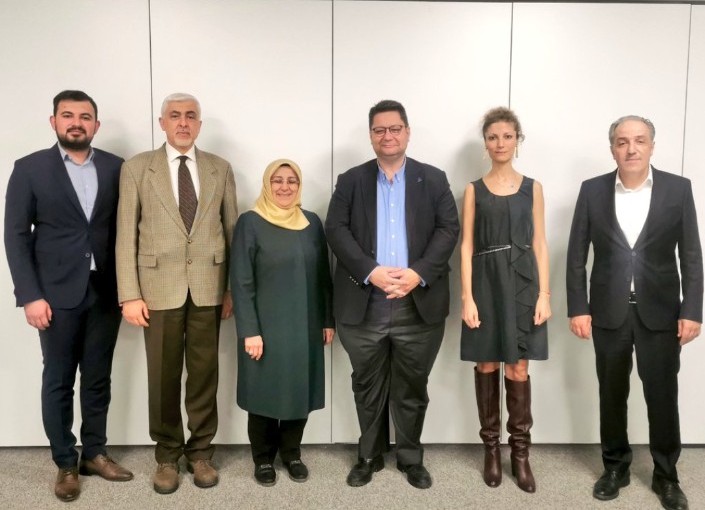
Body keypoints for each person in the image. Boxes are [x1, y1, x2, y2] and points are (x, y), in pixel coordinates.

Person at [566, 115, 702, 510]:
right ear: (612, 149)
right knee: (611, 393)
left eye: (639, 140)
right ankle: (615, 468)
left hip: (661, 312)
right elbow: (576, 256)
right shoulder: (592, 190)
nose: (631, 148)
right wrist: (578, 307)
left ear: (652, 146)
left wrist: (692, 310)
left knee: (662, 396)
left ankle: (666, 476)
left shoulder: (678, 189)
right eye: (622, 141)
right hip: (608, 311)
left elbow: (691, 256)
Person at [4, 90, 133, 502]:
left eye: (85, 116)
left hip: (106, 291)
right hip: (54, 294)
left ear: (96, 124)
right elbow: (16, 236)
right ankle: (65, 461)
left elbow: (127, 228)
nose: (76, 122)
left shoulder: (117, 167)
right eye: (67, 115)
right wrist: (30, 295)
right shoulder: (29, 169)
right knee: (58, 380)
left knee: (97, 378)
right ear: (54, 121)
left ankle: (94, 453)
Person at [325, 99, 459, 489]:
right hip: (363, 301)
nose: (388, 135)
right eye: (380, 129)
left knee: (412, 386)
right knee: (367, 385)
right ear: (371, 136)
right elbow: (336, 230)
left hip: (418, 302)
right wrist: (372, 271)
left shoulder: (433, 179)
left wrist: (418, 273)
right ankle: (369, 456)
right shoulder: (351, 180)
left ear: (407, 132)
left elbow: (448, 230)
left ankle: (410, 457)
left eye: (395, 128)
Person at [116, 92, 238, 494]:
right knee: (163, 376)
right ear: (162, 122)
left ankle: (200, 452)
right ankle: (167, 455)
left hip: (208, 287)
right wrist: (129, 294)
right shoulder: (137, 168)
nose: (183, 122)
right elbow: (125, 235)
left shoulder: (220, 168)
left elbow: (232, 231)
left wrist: (232, 289)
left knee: (204, 375)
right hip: (156, 290)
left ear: (199, 124)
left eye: (190, 116)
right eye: (175, 115)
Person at [460, 107, 550, 493]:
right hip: (485, 281)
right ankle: (491, 451)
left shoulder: (534, 188)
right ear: (485, 143)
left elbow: (541, 243)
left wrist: (545, 294)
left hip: (524, 283)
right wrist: (467, 297)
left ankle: (521, 454)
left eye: (507, 136)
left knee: (518, 366)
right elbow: (465, 246)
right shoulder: (473, 190)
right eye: (493, 137)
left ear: (518, 140)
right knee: (486, 363)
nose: (500, 143)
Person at [231, 159, 334, 486]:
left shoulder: (311, 223)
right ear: (267, 184)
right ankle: (263, 458)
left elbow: (323, 276)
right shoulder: (250, 222)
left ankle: (291, 453)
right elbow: (241, 281)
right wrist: (250, 331)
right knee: (263, 390)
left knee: (298, 389)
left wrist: (327, 320)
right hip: (265, 325)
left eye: (292, 180)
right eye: (277, 180)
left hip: (305, 324)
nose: (285, 187)